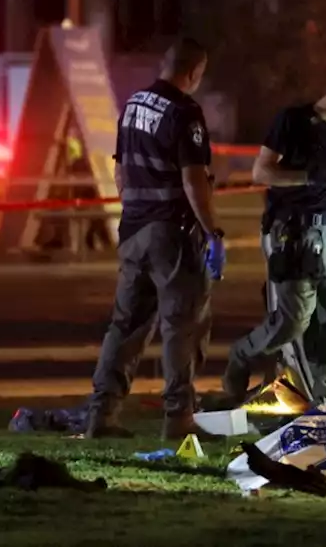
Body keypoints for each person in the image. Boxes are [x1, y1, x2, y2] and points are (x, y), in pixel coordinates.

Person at [212, 63, 326, 409]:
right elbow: (261, 172)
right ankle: (242, 355)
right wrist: (307, 178)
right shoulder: (292, 120)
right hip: (293, 230)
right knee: (293, 321)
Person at [85, 37, 225, 440]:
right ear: (194, 72)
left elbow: (120, 171)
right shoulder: (185, 112)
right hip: (173, 234)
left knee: (126, 325)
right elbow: (193, 179)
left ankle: (101, 415)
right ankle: (179, 420)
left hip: (133, 230)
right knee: (183, 326)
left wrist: (134, 211)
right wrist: (213, 231)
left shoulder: (132, 106)